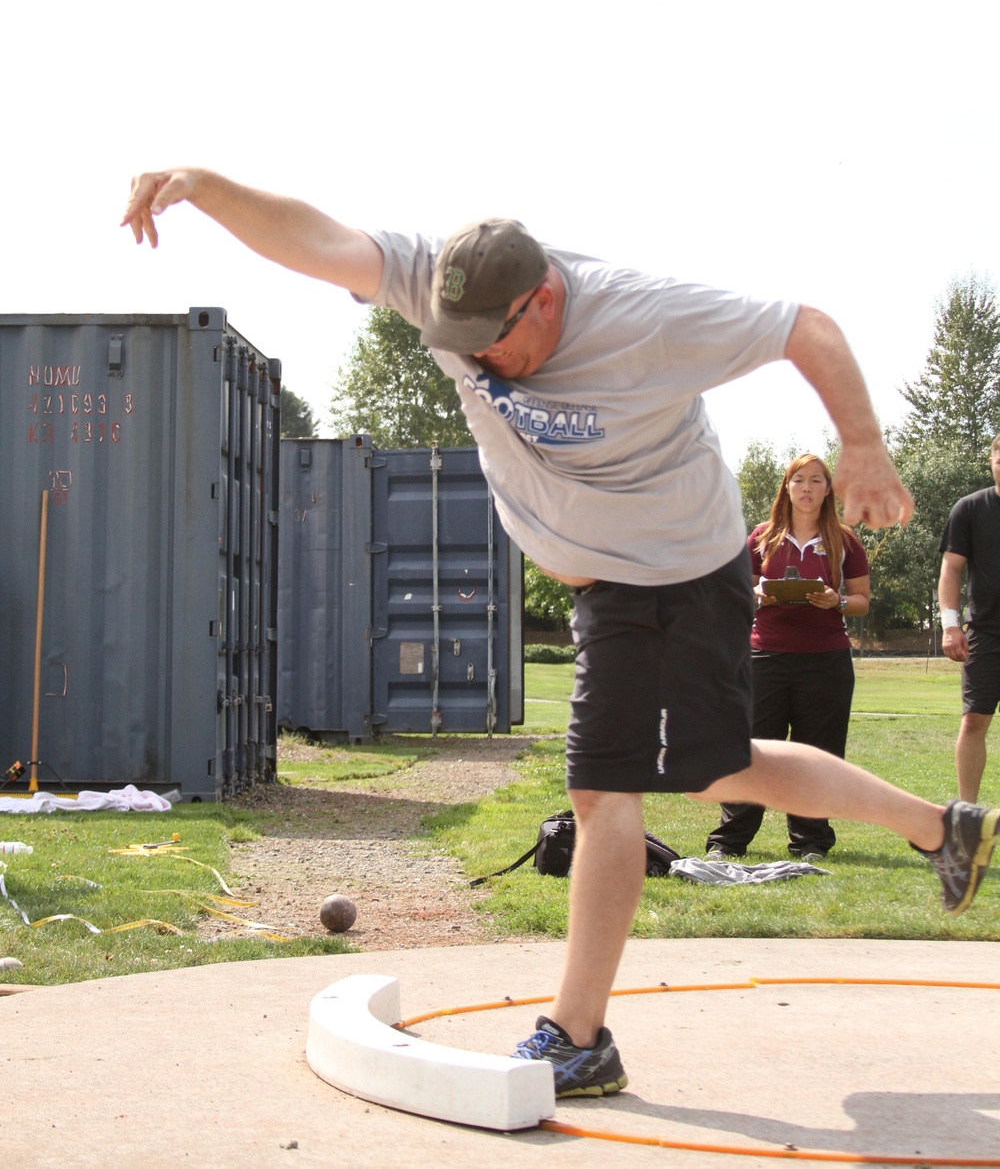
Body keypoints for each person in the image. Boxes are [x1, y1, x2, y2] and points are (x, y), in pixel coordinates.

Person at [121, 170, 999, 1100]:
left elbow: (806, 326)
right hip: (616, 586)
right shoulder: (441, 286)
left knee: (603, 788)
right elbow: (314, 237)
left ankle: (578, 1037)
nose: (483, 366)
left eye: (497, 345)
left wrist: (861, 442)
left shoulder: (645, 316)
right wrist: (202, 187)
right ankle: (940, 826)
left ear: (543, 299)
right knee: (715, 768)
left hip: (681, 573)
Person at [705, 453, 870, 862]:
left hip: (826, 659)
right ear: (787, 488)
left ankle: (811, 842)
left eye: (817, 481)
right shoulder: (762, 537)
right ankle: (728, 842)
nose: (808, 489)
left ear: (828, 490)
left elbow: (862, 602)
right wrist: (758, 592)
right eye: (799, 481)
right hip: (765, 656)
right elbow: (736, 592)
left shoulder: (845, 541)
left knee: (819, 754)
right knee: (752, 750)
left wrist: (837, 600)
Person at [938, 435, 1000, 803]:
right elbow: (951, 569)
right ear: (992, 460)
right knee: (974, 720)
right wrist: (950, 624)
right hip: (986, 634)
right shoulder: (970, 509)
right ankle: (966, 813)